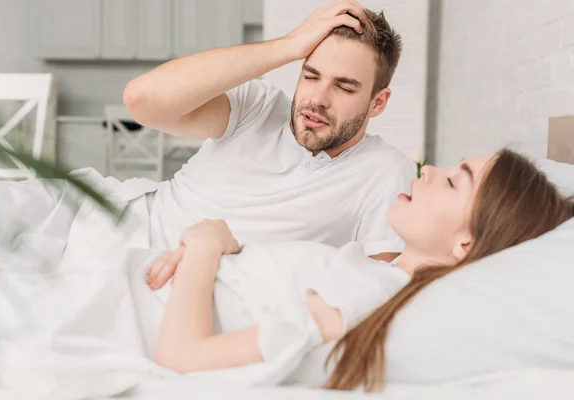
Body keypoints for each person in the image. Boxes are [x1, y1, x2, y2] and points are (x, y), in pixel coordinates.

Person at [146, 149, 574, 387]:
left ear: (466, 243)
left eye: (450, 181)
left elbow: (182, 356)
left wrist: (204, 247)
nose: (429, 172)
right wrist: (225, 247)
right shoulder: (376, 272)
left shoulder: (366, 297)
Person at [124, 0, 413, 262]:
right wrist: (289, 45)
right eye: (311, 76)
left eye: (344, 87)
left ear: (378, 103)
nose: (318, 99)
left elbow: (376, 291)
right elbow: (141, 100)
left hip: (165, 276)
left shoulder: (384, 173)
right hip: (118, 224)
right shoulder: (256, 106)